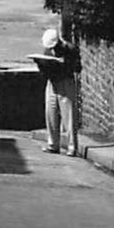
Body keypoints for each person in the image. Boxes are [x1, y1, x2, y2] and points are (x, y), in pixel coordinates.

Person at [35, 26, 81, 154]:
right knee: (51, 113)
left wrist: (64, 64)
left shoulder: (70, 49)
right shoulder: (48, 51)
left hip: (66, 82)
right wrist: (41, 65)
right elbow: (45, 71)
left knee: (68, 116)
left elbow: (77, 68)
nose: (52, 49)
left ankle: (72, 147)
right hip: (52, 82)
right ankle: (53, 144)